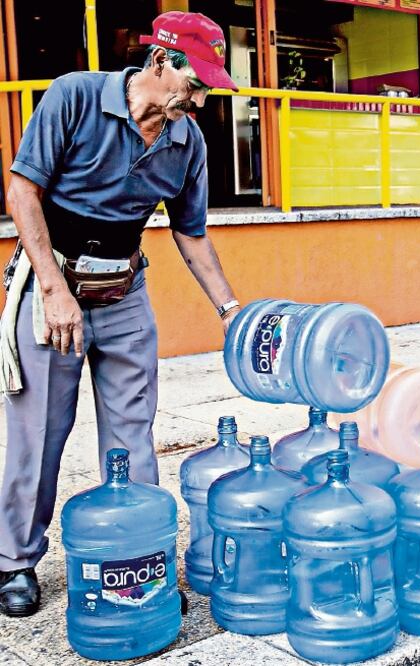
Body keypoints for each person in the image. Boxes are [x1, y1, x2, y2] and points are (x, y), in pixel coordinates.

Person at [0, 11, 241, 617]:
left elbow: (191, 233)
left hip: (124, 292)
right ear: (161, 61)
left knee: (134, 434)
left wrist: (231, 309)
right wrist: (53, 290)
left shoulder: (188, 142)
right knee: (39, 434)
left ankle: (142, 558)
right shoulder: (75, 96)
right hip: (52, 284)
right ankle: (14, 561)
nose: (203, 99)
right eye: (198, 82)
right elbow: (21, 191)